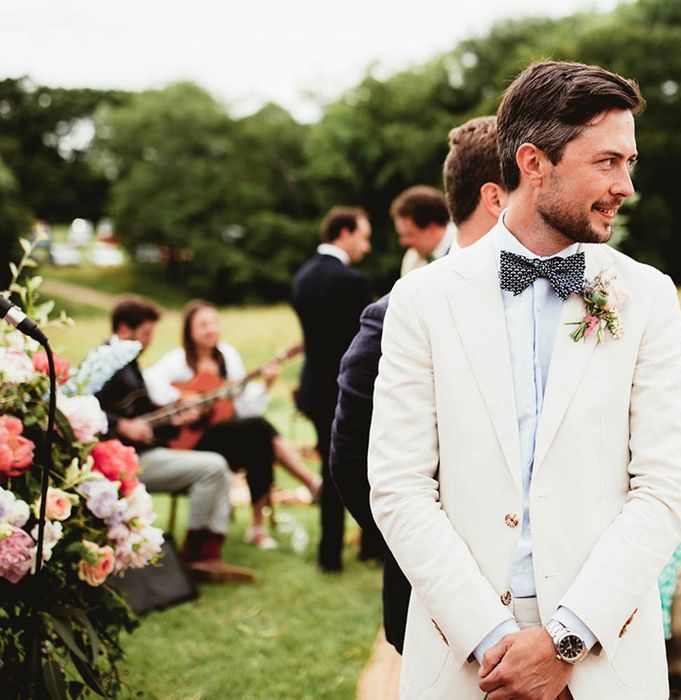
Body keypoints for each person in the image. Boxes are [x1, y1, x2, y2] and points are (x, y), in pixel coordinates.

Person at [368, 60, 681, 699]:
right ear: (533, 162)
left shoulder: (648, 296)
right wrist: (493, 640)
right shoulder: (421, 301)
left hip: (606, 662)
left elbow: (663, 488)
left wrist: (566, 640)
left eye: (630, 163)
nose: (625, 185)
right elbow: (399, 487)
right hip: (466, 664)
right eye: (607, 162)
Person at [330, 115, 508, 654]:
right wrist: (423, 554)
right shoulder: (395, 315)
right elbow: (350, 460)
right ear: (498, 197)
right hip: (433, 609)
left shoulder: (582, 298)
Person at [94, 296, 254, 583]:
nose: (150, 340)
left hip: (145, 451)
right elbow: (83, 407)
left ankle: (209, 553)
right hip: (124, 463)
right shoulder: (103, 363)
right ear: (123, 329)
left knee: (221, 468)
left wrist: (173, 420)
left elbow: (145, 419)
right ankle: (193, 556)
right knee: (214, 466)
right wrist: (122, 425)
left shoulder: (128, 363)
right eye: (145, 333)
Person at [143, 300, 322, 550]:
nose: (211, 329)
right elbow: (148, 380)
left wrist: (268, 384)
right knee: (258, 431)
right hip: (191, 442)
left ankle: (260, 525)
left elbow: (243, 408)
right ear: (190, 330)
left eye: (214, 323)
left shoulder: (228, 356)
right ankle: (306, 487)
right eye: (203, 324)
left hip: (226, 438)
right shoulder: (178, 360)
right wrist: (182, 398)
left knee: (258, 440)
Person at [292, 206, 373, 572]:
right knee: (364, 466)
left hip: (313, 385)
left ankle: (329, 554)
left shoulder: (302, 277)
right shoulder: (351, 281)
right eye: (363, 236)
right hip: (346, 388)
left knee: (330, 465)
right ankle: (371, 546)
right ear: (343, 232)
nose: (366, 246)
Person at [391, 185, 453, 276]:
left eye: (409, 234)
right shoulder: (412, 259)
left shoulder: (464, 249)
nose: (402, 242)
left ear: (432, 228)